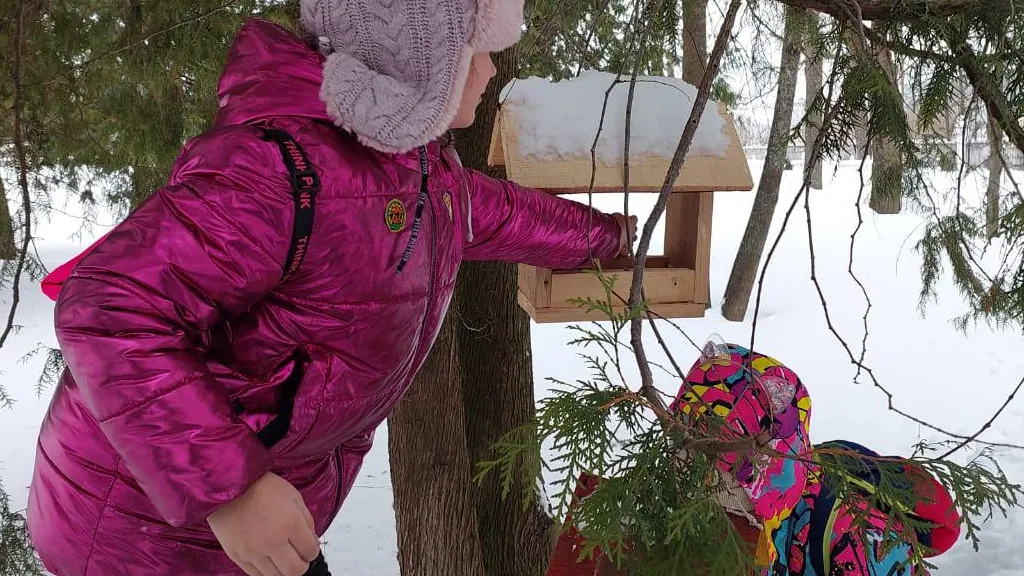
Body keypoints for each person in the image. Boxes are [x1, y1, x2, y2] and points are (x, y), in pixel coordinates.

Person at [26, 1, 638, 574]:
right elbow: (108, 307)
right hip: (141, 526)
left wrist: (608, 238)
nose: (490, 68)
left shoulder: (418, 170)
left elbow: (497, 213)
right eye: (475, 49)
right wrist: (230, 490)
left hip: (256, 512)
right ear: (419, 66)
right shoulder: (277, 171)